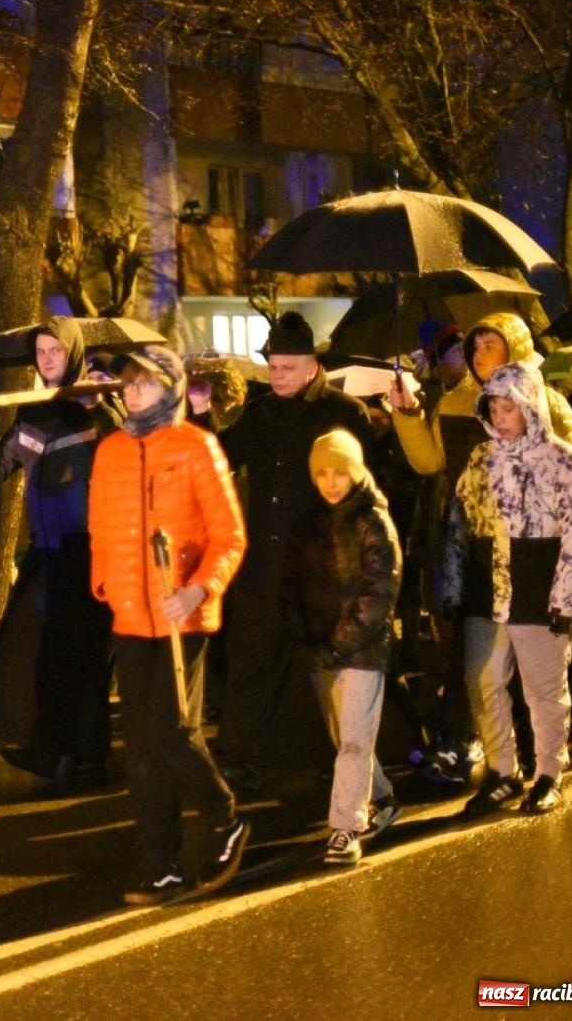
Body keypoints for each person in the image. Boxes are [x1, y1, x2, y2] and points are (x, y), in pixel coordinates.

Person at [388, 310, 572, 782]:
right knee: (481, 672)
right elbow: (431, 461)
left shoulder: (550, 405)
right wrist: (409, 413)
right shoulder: (457, 405)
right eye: (474, 347)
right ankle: (497, 765)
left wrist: (566, 581)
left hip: (531, 558)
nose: (478, 355)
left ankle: (547, 770)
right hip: (477, 554)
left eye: (489, 346)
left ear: (513, 349)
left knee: (539, 679)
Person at [87, 345, 250, 904]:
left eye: (144, 384)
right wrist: (104, 581)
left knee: (171, 731)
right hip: (131, 618)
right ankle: (163, 867)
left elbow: (230, 535)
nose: (131, 393)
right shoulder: (109, 450)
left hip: (184, 614)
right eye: (127, 385)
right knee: (139, 751)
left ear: (171, 390)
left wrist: (198, 587)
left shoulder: (197, 446)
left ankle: (224, 816)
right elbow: (101, 528)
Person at [213, 312, 374, 792]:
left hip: (322, 567)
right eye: (272, 366)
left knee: (324, 669)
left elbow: (365, 492)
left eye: (286, 367)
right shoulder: (260, 414)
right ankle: (238, 754)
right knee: (252, 660)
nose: (276, 375)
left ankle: (335, 756)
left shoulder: (345, 414)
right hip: (265, 564)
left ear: (311, 366)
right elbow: (218, 458)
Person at [440, 364, 572, 815]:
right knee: (483, 682)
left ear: (530, 407)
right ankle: (503, 770)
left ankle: (549, 771)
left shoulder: (561, 459)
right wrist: (451, 588)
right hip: (488, 588)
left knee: (544, 690)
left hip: (537, 585)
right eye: (494, 407)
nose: (502, 415)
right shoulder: (480, 459)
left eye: (510, 407)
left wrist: (565, 600)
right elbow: (458, 525)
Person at [0, 316, 120, 790]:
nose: (47, 360)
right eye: (41, 352)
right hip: (45, 553)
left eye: (55, 351)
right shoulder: (32, 412)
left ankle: (88, 758)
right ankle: (51, 749)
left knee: (84, 659)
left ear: (74, 353)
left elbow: (125, 450)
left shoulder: (97, 408)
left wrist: (103, 409)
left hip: (87, 550)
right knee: (40, 652)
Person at [282, 429, 403, 864]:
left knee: (353, 739)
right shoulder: (309, 523)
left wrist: (341, 640)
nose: (331, 482)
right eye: (323, 474)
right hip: (322, 648)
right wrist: (306, 635)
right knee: (345, 738)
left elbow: (379, 592)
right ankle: (384, 798)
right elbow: (294, 584)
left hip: (363, 650)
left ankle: (346, 827)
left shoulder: (373, 521)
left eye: (340, 472)